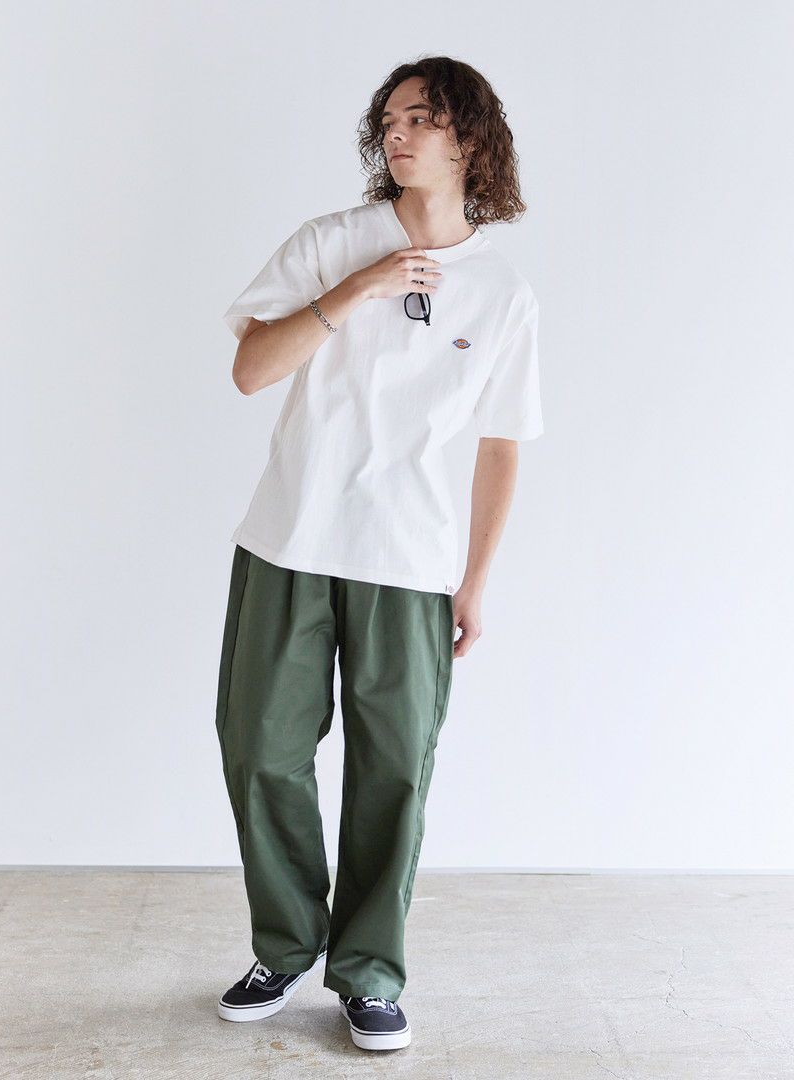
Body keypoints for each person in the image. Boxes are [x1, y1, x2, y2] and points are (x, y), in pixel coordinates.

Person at [213, 55, 543, 1052]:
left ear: (470, 138)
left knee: (396, 768)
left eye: (421, 119)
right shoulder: (331, 243)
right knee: (259, 746)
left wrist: (476, 580)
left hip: (411, 559)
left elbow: (500, 445)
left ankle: (368, 972)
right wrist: (359, 288)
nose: (397, 135)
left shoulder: (503, 292)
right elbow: (250, 370)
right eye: (389, 120)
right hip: (291, 541)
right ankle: (285, 945)